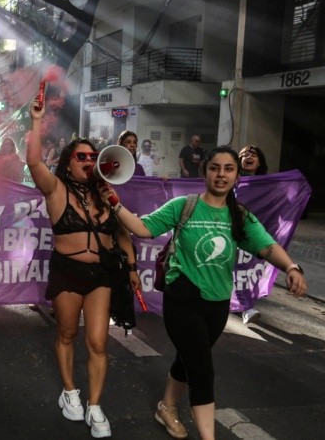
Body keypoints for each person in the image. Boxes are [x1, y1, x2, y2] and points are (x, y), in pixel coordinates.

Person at [103, 146, 307, 440]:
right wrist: (113, 201)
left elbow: (267, 246)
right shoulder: (183, 206)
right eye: (215, 168)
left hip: (217, 304)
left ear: (237, 176)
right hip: (182, 299)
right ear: (205, 172)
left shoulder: (240, 217)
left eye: (228, 169)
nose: (221, 174)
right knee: (202, 369)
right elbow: (143, 229)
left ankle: (167, 407)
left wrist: (291, 267)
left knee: (189, 358)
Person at [27, 99, 139, 439]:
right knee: (67, 335)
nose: (89, 161)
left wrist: (132, 267)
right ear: (68, 163)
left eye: (93, 157)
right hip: (67, 273)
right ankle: (69, 391)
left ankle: (94, 405)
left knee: (98, 342)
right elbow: (33, 161)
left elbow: (122, 231)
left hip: (101, 276)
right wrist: (37, 121)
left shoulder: (106, 194)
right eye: (82, 157)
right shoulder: (56, 189)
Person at [236, 144, 270, 324]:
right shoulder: (232, 178)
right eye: (244, 154)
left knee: (252, 272)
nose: (248, 156)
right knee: (240, 271)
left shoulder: (268, 185)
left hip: (256, 235)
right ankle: (247, 308)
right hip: (234, 233)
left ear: (259, 162)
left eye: (253, 154)